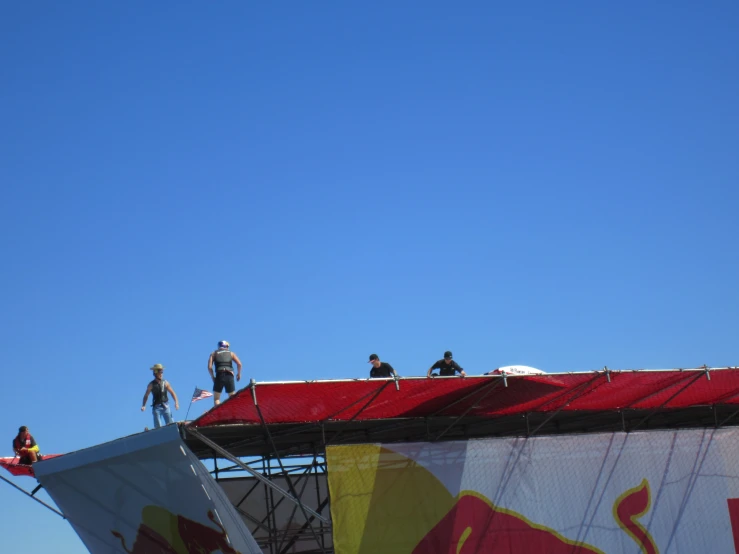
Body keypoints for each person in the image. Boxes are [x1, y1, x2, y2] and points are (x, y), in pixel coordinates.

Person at [141, 363, 179, 428]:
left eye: (162, 372)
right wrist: (144, 405)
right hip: (157, 407)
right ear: (155, 373)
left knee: (170, 423)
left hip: (165, 405)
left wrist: (176, 403)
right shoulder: (151, 385)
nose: (161, 374)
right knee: (157, 424)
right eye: (160, 372)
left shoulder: (165, 383)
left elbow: (172, 393)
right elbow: (146, 396)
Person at [208, 340, 243, 405]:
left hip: (219, 375)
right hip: (229, 375)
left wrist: (213, 377)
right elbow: (239, 364)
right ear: (226, 346)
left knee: (217, 398)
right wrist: (239, 374)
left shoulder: (213, 354)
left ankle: (219, 414)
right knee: (232, 397)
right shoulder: (231, 353)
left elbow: (210, 367)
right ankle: (233, 412)